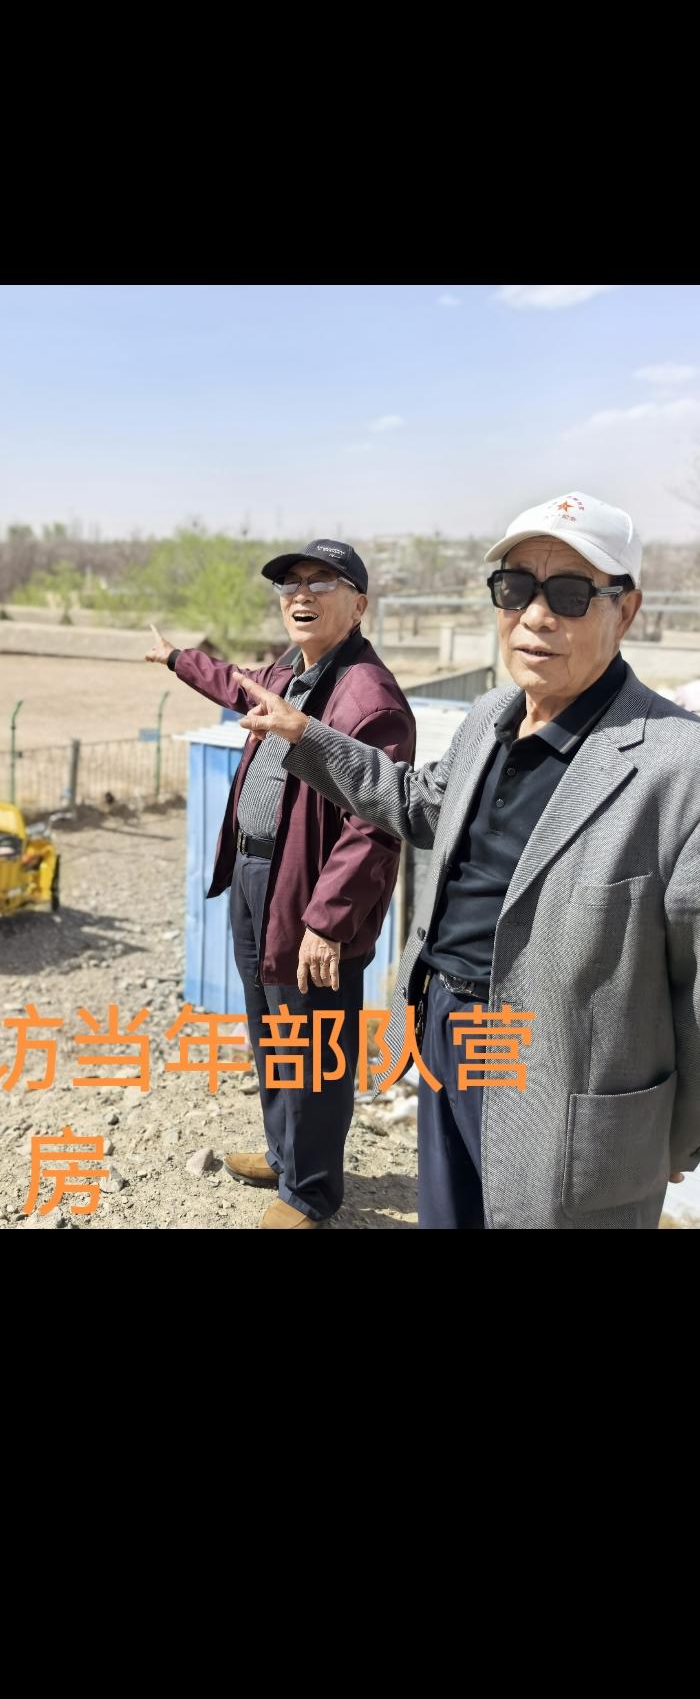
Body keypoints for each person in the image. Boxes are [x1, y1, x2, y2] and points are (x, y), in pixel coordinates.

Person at [235, 493, 700, 1230]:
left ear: (628, 611)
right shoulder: (491, 716)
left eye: (571, 595)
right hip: (447, 1028)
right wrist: (304, 735)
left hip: (562, 1077)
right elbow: (417, 803)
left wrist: (676, 1130)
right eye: (516, 590)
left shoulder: (679, 765)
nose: (536, 617)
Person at [146, 540, 415, 1229]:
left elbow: (375, 825)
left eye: (322, 582)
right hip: (255, 873)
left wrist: (328, 921)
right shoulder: (289, 672)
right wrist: (177, 659)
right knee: (272, 1030)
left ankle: (311, 1194)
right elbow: (234, 684)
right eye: (291, 582)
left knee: (315, 1042)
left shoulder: (368, 696)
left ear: (358, 605)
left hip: (309, 891)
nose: (301, 594)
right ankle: (285, 1156)